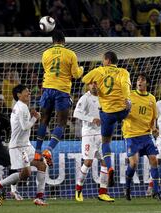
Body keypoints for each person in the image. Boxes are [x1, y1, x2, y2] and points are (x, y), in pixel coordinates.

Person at [0, 85, 48, 206]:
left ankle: (40, 197)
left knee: (42, 164)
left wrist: (32, 116)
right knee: (26, 174)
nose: (29, 93)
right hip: (17, 146)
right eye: (26, 91)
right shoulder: (20, 107)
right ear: (18, 94)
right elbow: (25, 126)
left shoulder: (23, 107)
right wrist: (35, 118)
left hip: (26, 145)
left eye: (29, 91)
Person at [82, 51, 131, 187]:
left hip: (108, 112)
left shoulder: (99, 70)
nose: (102, 62)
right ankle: (129, 153)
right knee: (130, 126)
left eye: (103, 60)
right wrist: (127, 101)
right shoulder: (123, 72)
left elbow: (85, 79)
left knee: (106, 142)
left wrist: (97, 84)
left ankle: (109, 167)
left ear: (108, 60)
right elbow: (125, 86)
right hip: (122, 110)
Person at [35, 30, 83, 167]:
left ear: (53, 41)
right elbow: (75, 75)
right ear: (64, 41)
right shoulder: (70, 54)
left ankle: (37, 151)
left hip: (47, 89)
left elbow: (46, 69)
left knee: (44, 120)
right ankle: (49, 150)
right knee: (61, 123)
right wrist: (81, 69)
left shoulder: (46, 53)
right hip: (62, 91)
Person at [122, 73, 161, 202]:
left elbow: (154, 117)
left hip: (146, 135)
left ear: (147, 83)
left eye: (143, 80)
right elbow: (122, 112)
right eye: (138, 80)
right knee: (133, 164)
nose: (140, 82)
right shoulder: (129, 95)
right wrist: (125, 110)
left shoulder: (151, 98)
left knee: (154, 161)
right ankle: (127, 188)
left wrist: (155, 128)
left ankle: (156, 191)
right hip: (131, 135)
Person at [73, 83, 114, 202]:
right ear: (88, 85)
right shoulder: (85, 98)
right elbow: (76, 113)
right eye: (92, 84)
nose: (94, 86)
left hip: (102, 134)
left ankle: (103, 192)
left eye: (96, 83)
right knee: (88, 162)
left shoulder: (104, 97)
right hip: (88, 134)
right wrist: (92, 119)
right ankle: (78, 189)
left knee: (105, 161)